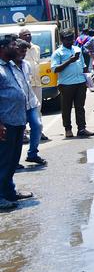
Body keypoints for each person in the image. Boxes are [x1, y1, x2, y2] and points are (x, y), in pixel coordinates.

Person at [0, 36, 33, 210]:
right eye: (13, 44)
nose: (17, 46)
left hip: (17, 120)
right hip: (5, 123)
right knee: (3, 161)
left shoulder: (12, 66)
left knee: (13, 161)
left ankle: (9, 192)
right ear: (3, 48)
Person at [52, 29, 94, 138]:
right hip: (66, 84)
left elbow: (83, 64)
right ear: (62, 40)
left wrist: (87, 77)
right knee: (66, 108)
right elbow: (55, 69)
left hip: (80, 82)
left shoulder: (77, 49)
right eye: (67, 39)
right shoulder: (58, 53)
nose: (70, 41)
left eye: (71, 39)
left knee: (80, 107)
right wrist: (69, 61)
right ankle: (68, 129)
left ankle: (81, 128)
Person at [17, 29, 47, 166]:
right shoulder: (8, 66)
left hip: (31, 101)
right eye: (21, 51)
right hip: (16, 105)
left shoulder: (26, 65)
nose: (23, 54)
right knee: (17, 133)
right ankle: (13, 161)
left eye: (24, 51)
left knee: (37, 125)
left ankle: (32, 153)